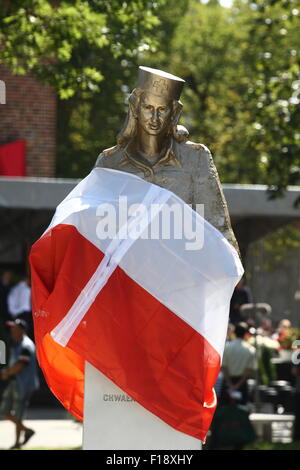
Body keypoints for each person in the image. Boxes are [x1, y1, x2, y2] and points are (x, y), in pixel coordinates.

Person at [95, 66, 239, 253]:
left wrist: (231, 269)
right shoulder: (109, 162)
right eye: (148, 108)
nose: (154, 118)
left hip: (181, 269)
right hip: (128, 272)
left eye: (162, 109)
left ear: (174, 112)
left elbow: (217, 226)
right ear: (135, 107)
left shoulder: (196, 158)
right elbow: (95, 229)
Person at [0, 318, 39, 449]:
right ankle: (27, 431)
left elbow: (20, 366)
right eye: (11, 328)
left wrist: (6, 373)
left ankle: (17, 443)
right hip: (15, 383)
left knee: (18, 414)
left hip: (24, 385)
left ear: (22, 330)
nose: (12, 331)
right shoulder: (16, 343)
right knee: (4, 411)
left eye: (15, 329)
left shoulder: (26, 345)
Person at [221, 322, 256, 404]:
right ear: (245, 334)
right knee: (241, 412)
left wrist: (230, 385)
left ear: (234, 333)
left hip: (227, 382)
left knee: (224, 411)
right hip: (242, 383)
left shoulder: (226, 347)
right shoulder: (250, 350)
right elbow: (249, 370)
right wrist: (238, 386)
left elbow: (223, 367)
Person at [7, 275, 33, 339]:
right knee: (23, 333)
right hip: (25, 314)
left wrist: (13, 312)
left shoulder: (14, 289)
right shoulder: (27, 290)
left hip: (16, 314)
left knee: (17, 332)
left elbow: (10, 301)